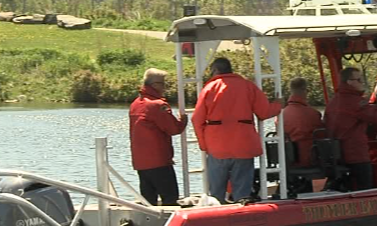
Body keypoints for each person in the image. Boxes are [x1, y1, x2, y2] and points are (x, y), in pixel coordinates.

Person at [192, 57, 282, 203]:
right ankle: (242, 216)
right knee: (242, 193)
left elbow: (196, 119)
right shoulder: (248, 86)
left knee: (215, 195)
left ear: (215, 70)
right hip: (244, 145)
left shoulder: (209, 89)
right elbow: (264, 112)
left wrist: (204, 145)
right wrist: (278, 104)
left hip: (217, 147)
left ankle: (215, 218)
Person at [129, 68, 188, 206]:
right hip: (158, 160)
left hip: (141, 162)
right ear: (155, 85)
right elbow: (174, 129)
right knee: (170, 199)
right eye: (163, 84)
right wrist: (183, 121)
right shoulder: (157, 105)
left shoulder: (135, 104)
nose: (165, 87)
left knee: (149, 201)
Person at [324, 67, 377, 191]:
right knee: (365, 185)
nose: (362, 82)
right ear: (349, 82)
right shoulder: (357, 102)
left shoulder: (333, 101)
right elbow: (376, 118)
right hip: (356, 155)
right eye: (359, 79)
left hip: (336, 155)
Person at [282, 77, 324, 167]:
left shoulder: (282, 114)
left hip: (288, 160)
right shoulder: (312, 114)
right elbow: (322, 135)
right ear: (304, 90)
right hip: (309, 159)